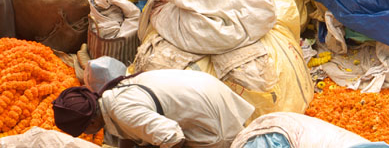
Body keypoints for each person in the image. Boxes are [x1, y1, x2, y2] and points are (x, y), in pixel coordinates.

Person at [52, 69, 254, 148]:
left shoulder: (122, 111)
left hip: (213, 119)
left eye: (83, 131)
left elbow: (173, 138)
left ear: (92, 122)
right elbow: (129, 131)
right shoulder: (110, 95)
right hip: (208, 90)